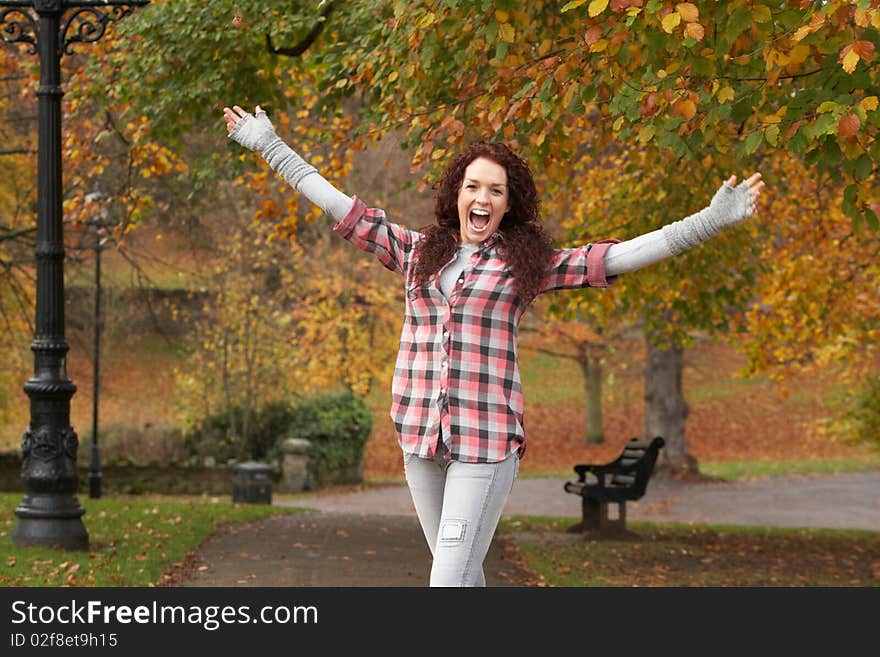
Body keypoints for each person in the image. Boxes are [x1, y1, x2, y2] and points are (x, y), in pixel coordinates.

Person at [222, 104, 765, 586]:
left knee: (447, 582)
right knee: (461, 576)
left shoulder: (523, 268)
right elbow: (340, 207)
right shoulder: (415, 254)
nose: (483, 198)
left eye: (496, 191)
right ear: (456, 196)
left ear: (508, 205)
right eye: (473, 187)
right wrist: (271, 146)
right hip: (419, 442)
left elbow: (616, 257)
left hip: (485, 446)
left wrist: (708, 222)